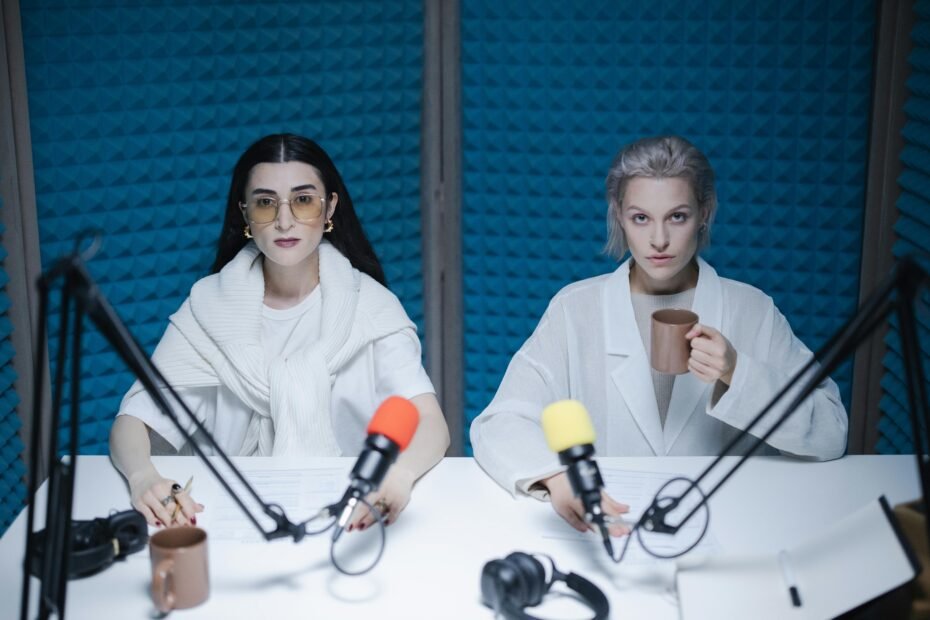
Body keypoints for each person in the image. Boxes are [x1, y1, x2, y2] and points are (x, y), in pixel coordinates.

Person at [469, 135, 848, 536]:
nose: (659, 240)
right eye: (641, 218)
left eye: (677, 216)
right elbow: (498, 423)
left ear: (705, 212)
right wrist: (559, 480)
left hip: (725, 531)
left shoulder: (752, 310)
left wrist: (739, 373)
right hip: (611, 529)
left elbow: (831, 433)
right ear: (619, 216)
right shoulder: (574, 309)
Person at [110, 133, 450, 530]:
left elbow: (431, 422)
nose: (284, 221)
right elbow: (131, 421)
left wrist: (399, 476)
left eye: (303, 200)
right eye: (266, 202)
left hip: (348, 514)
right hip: (225, 516)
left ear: (329, 209)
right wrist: (143, 478)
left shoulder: (370, 308)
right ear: (246, 215)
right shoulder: (208, 309)